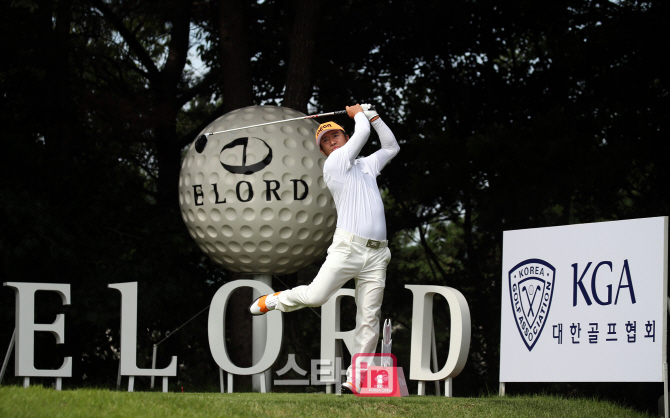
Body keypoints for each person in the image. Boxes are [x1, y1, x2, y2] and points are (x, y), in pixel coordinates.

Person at [249, 103, 400, 394]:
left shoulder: (366, 166)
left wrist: (375, 117)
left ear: (343, 136)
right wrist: (360, 116)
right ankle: (277, 300)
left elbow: (391, 147)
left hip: (378, 254)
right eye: (326, 141)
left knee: (369, 316)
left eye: (336, 136)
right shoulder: (335, 165)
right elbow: (364, 133)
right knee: (317, 296)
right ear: (324, 151)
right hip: (348, 249)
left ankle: (356, 377)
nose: (332, 141)